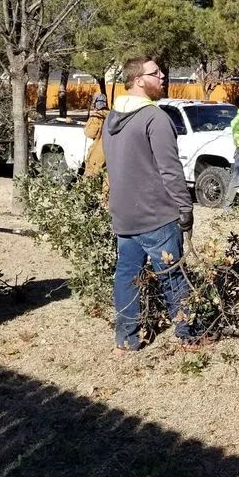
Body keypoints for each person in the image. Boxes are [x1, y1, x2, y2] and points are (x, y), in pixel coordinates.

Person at [101, 55, 201, 353]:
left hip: (124, 215)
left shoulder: (111, 117)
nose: (162, 77)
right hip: (156, 214)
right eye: (155, 73)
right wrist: (185, 208)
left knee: (127, 276)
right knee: (172, 274)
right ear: (138, 79)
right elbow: (170, 170)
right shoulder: (154, 117)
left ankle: (126, 339)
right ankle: (187, 334)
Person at [82, 93, 109, 177]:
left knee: (91, 176)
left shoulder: (96, 116)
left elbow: (91, 134)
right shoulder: (112, 114)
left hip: (99, 151)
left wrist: (86, 128)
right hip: (112, 152)